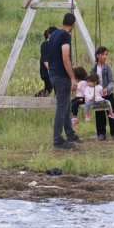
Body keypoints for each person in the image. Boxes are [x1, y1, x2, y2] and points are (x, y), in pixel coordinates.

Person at [47, 12, 81, 149]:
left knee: (66, 106)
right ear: (73, 24)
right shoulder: (65, 36)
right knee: (62, 108)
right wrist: (72, 78)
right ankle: (58, 140)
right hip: (62, 76)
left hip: (53, 74)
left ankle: (70, 134)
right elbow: (65, 57)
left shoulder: (54, 34)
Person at [90, 46, 114, 141]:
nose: (105, 56)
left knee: (111, 112)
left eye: (106, 54)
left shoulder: (108, 68)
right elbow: (90, 82)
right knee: (99, 113)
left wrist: (107, 89)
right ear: (98, 55)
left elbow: (112, 81)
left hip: (108, 93)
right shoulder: (93, 69)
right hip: (98, 95)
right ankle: (101, 133)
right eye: (103, 54)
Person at [35, 26, 57, 97]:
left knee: (49, 88)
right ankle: (35, 100)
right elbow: (45, 60)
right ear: (50, 35)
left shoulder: (53, 44)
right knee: (49, 88)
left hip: (52, 71)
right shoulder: (45, 45)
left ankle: (35, 99)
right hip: (47, 71)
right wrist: (50, 70)